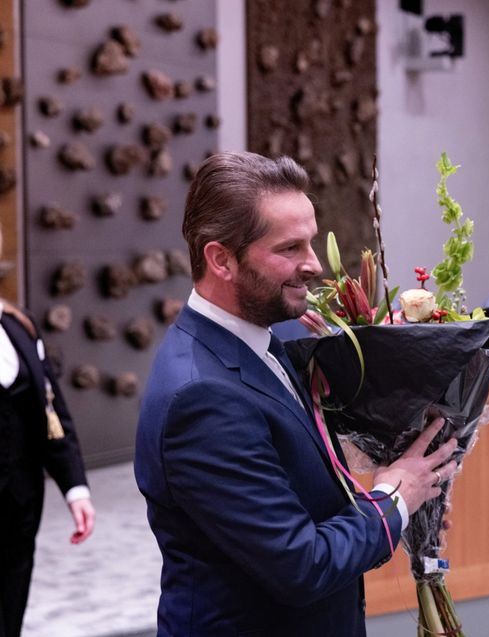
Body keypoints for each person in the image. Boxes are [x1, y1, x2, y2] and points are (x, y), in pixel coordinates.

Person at [134, 151, 458, 636]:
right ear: (220, 259)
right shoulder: (201, 398)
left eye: (310, 242)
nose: (312, 265)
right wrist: (395, 498)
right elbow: (301, 564)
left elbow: (298, 465)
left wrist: (406, 482)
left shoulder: (274, 339)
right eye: (289, 249)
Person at [0, 229, 94, 637]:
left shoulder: (19, 325)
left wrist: (75, 488)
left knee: (10, 603)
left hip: (19, 507)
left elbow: (51, 410)